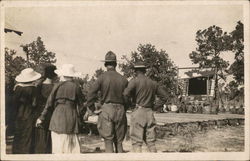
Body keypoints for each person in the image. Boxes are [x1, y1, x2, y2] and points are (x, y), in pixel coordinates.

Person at [36, 64, 85, 153]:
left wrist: (42, 117)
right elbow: (81, 105)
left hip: (57, 116)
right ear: (72, 76)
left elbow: (49, 103)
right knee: (71, 145)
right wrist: (80, 118)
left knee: (58, 145)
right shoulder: (76, 87)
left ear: (63, 74)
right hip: (71, 116)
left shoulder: (57, 86)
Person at [86, 51, 128, 153]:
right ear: (116, 64)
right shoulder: (123, 79)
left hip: (107, 109)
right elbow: (128, 97)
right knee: (119, 141)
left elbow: (91, 93)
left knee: (108, 140)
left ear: (105, 64)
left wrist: (91, 109)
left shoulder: (102, 78)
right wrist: (124, 108)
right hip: (120, 109)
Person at [123, 61, 168, 153]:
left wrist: (130, 105)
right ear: (145, 70)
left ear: (135, 71)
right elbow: (165, 96)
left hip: (139, 111)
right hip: (150, 112)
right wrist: (155, 106)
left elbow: (125, 94)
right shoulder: (153, 83)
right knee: (151, 142)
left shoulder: (134, 81)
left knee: (136, 142)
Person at [12, 68, 41, 154]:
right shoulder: (34, 89)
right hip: (29, 115)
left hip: (19, 115)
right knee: (28, 137)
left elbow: (14, 103)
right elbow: (34, 104)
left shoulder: (17, 88)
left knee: (18, 136)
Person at [33, 64, 57, 153]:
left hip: (39, 112)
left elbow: (34, 102)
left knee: (40, 135)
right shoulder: (55, 87)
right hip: (51, 113)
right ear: (55, 75)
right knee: (49, 136)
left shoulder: (39, 86)